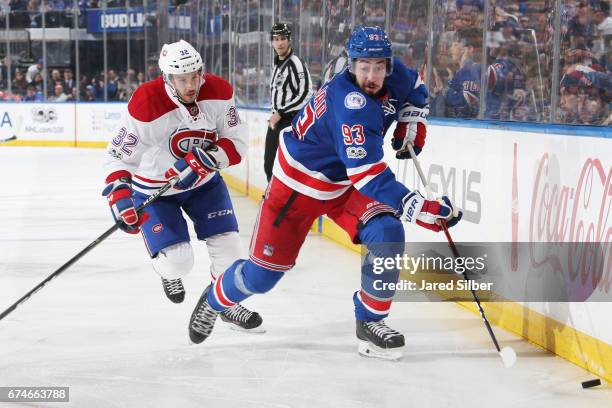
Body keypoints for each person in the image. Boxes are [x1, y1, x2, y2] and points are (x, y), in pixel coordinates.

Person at [187, 27, 462, 360]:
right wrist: (419, 207)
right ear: (351, 64)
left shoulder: (397, 74)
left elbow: (417, 89)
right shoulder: (351, 104)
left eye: (378, 66)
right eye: (364, 67)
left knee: (387, 231)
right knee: (261, 278)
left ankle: (370, 321)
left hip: (343, 186)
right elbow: (369, 175)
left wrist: (411, 122)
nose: (372, 75)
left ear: (388, 64)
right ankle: (215, 299)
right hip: (296, 190)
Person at [101, 39, 264, 332]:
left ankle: (224, 305)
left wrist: (208, 159)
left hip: (205, 185)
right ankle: (164, 267)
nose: (191, 85)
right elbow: (118, 156)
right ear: (168, 78)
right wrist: (120, 195)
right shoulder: (146, 102)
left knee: (231, 252)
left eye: (195, 76)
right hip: (155, 191)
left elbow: (237, 142)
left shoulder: (218, 92)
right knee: (178, 263)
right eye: (182, 79)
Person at [264, 22, 313, 182]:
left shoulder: (295, 63)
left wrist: (281, 113)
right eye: (276, 39)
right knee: (269, 165)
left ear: (289, 40)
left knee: (287, 167)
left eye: (283, 38)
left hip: (289, 121)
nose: (279, 43)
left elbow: (306, 93)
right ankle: (271, 201)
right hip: (277, 120)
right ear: (271, 42)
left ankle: (283, 204)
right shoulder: (277, 62)